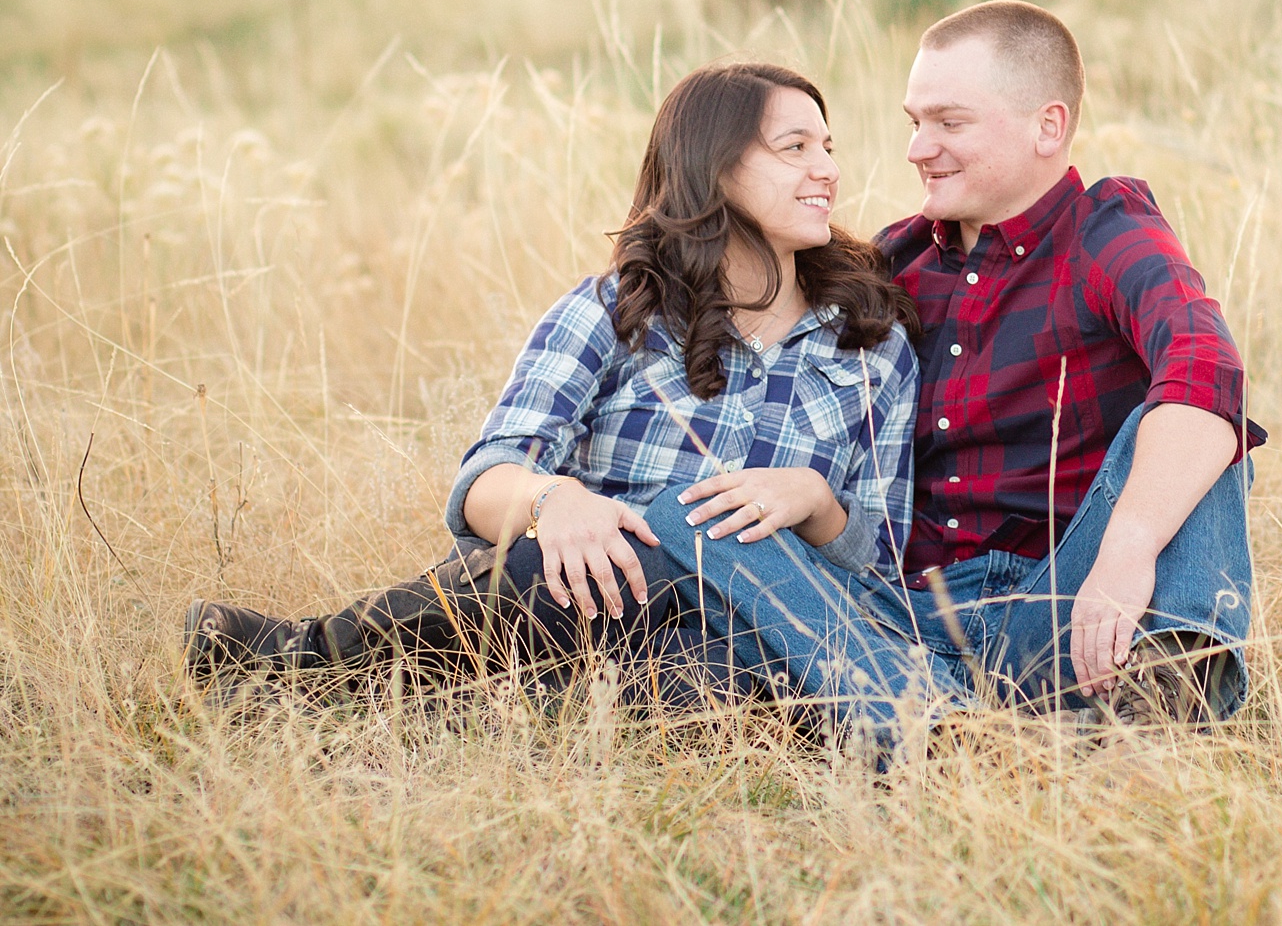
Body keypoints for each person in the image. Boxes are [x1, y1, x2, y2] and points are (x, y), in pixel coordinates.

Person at [182, 62, 920, 702]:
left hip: (749, 624)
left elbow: (883, 569)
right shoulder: (618, 308)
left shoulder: (869, 347)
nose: (827, 168)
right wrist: (554, 497)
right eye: (796, 148)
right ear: (714, 167)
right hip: (586, 590)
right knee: (581, 571)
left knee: (704, 681)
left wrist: (817, 500)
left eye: (827, 147)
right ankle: (298, 659)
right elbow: (483, 482)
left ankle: (409, 706)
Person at [636, 0, 1262, 742]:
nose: (918, 148)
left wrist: (1126, 552)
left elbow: (1203, 364)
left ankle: (1168, 685)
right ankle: (935, 716)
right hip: (897, 615)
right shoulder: (893, 262)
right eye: (914, 122)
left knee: (1196, 418)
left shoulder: (1107, 233)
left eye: (949, 122)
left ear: (1048, 126)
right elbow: (753, 310)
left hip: (1072, 606)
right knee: (688, 512)